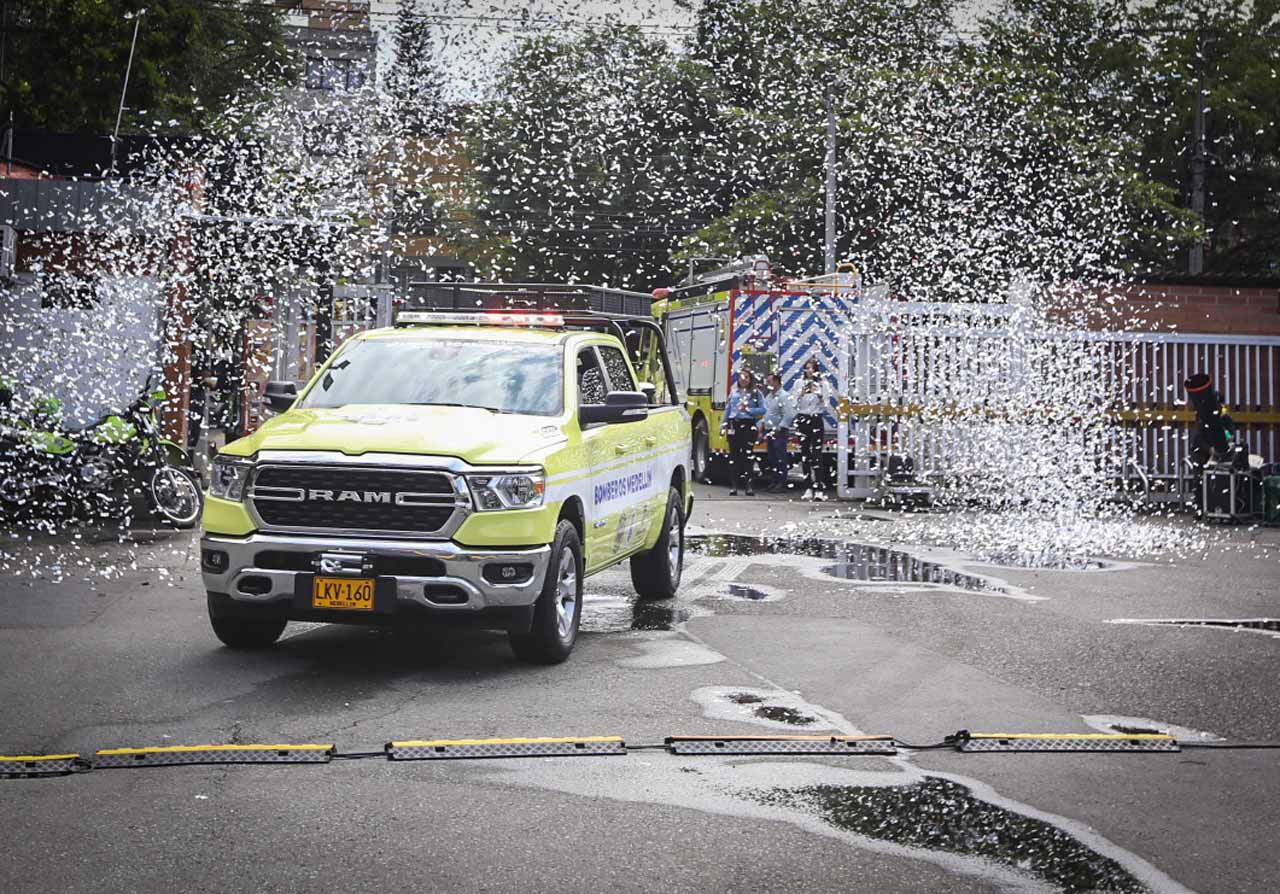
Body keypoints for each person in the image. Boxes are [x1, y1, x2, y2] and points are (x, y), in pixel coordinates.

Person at [792, 358, 832, 500]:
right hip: (803, 419)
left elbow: (826, 405)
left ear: (816, 370)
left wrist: (819, 394)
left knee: (817, 454)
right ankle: (807, 487)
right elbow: (794, 403)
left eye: (812, 368)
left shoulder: (823, 384)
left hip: (816, 419)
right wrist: (801, 393)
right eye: (807, 368)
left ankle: (819, 488)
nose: (809, 371)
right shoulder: (798, 383)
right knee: (804, 454)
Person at [721, 368, 765, 496]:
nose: (743, 379)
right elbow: (728, 410)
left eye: (746, 377)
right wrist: (723, 426)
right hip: (734, 424)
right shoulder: (734, 393)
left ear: (750, 379)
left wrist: (749, 410)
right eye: (741, 377)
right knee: (733, 456)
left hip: (748, 425)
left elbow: (763, 409)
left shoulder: (756, 394)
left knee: (748, 456)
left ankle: (749, 486)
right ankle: (734, 485)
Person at [761, 372, 795, 492]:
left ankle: (781, 482)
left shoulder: (784, 396)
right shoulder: (769, 396)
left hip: (779, 432)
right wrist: (762, 427)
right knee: (772, 457)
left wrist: (779, 428)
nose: (767, 384)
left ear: (776, 382)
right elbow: (766, 413)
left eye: (769, 381)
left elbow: (788, 415)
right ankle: (774, 481)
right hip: (769, 430)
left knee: (780, 457)